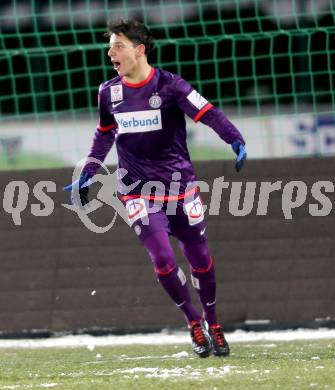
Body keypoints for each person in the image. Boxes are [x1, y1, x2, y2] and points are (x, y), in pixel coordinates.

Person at [65, 19, 246, 358]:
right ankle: (193, 321)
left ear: (139, 49)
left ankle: (214, 323)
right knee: (162, 259)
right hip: (135, 189)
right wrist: (89, 170)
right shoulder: (109, 92)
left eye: (118, 46)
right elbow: (105, 134)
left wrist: (233, 137)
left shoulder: (171, 86)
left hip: (179, 187)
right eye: (110, 47)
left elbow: (207, 112)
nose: (110, 53)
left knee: (201, 260)